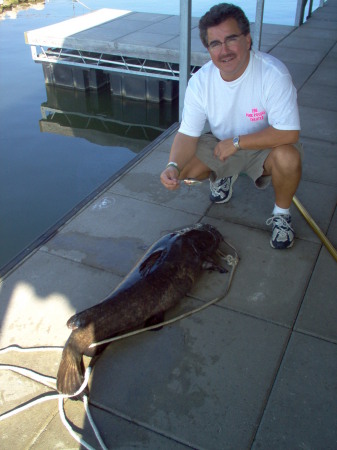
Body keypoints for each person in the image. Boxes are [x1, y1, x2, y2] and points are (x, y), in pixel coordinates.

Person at [160, 3, 302, 250]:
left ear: (247, 40)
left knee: (289, 158)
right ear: (208, 49)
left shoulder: (274, 74)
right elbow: (186, 133)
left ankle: (281, 215)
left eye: (231, 39)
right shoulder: (200, 82)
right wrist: (172, 166)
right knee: (183, 169)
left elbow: (289, 132)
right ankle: (223, 175)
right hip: (221, 145)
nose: (224, 50)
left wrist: (238, 143)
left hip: (264, 146)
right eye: (215, 44)